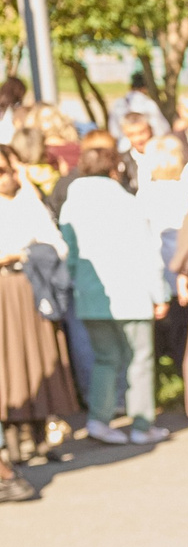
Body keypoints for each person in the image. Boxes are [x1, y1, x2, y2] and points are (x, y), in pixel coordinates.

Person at [59, 139, 170, 443]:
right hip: (132, 294)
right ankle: (142, 425)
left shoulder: (72, 204)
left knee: (105, 358)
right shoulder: (127, 202)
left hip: (91, 296)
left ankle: (99, 420)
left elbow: (67, 252)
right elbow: (149, 252)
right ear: (114, 168)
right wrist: (159, 294)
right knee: (139, 359)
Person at [0, 143, 76, 462]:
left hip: (33, 287)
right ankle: (14, 441)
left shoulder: (30, 204)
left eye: (5, 171)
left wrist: (23, 254)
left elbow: (57, 245)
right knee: (9, 362)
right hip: (3, 293)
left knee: (41, 358)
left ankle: (44, 433)